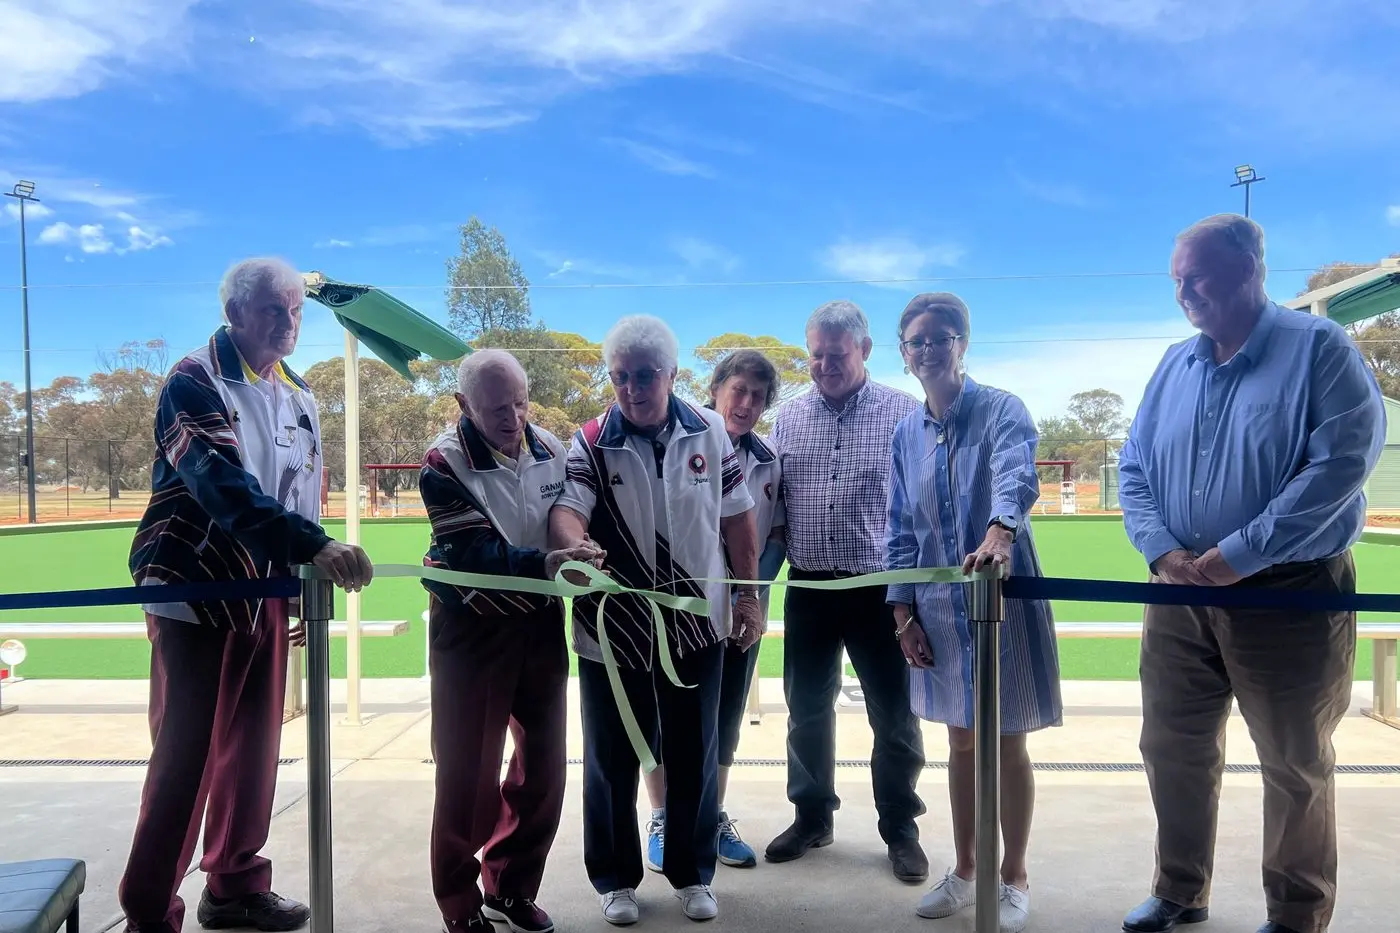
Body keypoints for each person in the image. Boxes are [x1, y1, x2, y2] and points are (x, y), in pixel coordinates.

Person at [1117, 214, 1385, 933]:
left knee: (1295, 763)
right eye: (1176, 277)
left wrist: (1236, 556)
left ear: (1249, 269)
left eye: (1195, 274)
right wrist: (1161, 548)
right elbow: (1133, 466)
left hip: (1289, 592)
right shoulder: (1174, 363)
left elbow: (1337, 471)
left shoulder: (1320, 351)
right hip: (1177, 590)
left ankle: (1298, 913)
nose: (1182, 290)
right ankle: (1179, 889)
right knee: (1170, 747)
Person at [120, 257, 374, 933]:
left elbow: (300, 491)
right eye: (271, 309)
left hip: (265, 583)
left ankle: (232, 884)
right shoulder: (193, 379)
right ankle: (149, 909)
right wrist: (309, 546)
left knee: (256, 745)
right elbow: (219, 484)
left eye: (294, 310)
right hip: (194, 584)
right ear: (233, 312)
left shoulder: (297, 392)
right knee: (187, 755)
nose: (287, 321)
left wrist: (294, 585)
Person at [549, 315, 762, 926]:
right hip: (612, 633)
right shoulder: (590, 439)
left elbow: (739, 520)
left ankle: (693, 873)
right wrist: (574, 545)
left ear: (671, 374)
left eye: (645, 376)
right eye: (620, 377)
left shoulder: (711, 431)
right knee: (611, 757)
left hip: (697, 627)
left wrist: (748, 599)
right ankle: (615, 879)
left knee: (694, 752)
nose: (632, 388)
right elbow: (568, 509)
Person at [883, 293, 1063, 933]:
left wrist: (1000, 533)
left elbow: (1017, 477)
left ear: (963, 343)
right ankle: (964, 868)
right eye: (917, 341)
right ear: (904, 354)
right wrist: (901, 611)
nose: (929, 349)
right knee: (959, 740)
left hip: (1001, 595)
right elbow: (899, 524)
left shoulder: (1001, 410)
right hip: (935, 605)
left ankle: (1013, 876)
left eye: (942, 336)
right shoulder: (905, 432)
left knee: (1005, 737)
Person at [419, 350, 605, 933]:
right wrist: (550, 561)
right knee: (467, 775)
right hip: (471, 628)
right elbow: (472, 553)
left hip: (540, 622)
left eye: (522, 402)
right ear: (463, 406)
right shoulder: (442, 464)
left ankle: (512, 887)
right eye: (498, 407)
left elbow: (569, 514)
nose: (514, 417)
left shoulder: (551, 448)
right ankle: (459, 901)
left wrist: (579, 548)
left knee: (545, 770)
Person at [766, 299, 929, 883]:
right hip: (808, 587)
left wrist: (910, 599)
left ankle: (900, 827)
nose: (824, 364)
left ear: (864, 350)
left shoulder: (905, 413)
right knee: (805, 709)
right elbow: (773, 508)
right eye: (815, 354)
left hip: (880, 591)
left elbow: (918, 509)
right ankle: (812, 817)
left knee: (895, 714)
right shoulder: (786, 418)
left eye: (836, 354)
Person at [640, 349, 789, 872]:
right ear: (716, 388)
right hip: (678, 611)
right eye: (737, 390)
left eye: (756, 395)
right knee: (666, 715)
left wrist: (749, 593)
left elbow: (773, 535)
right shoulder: (679, 441)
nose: (745, 403)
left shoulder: (770, 461)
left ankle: (712, 816)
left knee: (725, 718)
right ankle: (662, 817)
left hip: (743, 613)